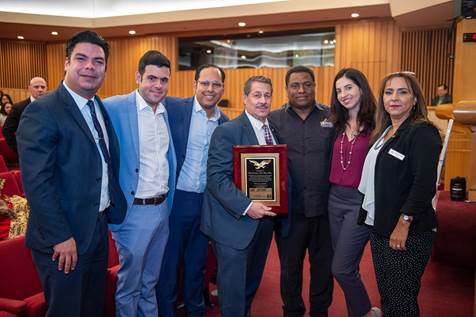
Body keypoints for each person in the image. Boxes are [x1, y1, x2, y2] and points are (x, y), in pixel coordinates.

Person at [16, 30, 127, 317]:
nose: (90, 66)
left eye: (98, 61)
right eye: (81, 58)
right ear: (66, 62)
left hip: (96, 230)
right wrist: (61, 236)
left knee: (92, 308)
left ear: (105, 68)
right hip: (63, 240)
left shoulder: (97, 106)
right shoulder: (43, 111)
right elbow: (37, 183)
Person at [358, 72, 442, 317]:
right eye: (388, 92)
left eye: (402, 92)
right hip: (381, 227)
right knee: (388, 297)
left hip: (408, 230)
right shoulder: (385, 131)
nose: (394, 98)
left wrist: (404, 223)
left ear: (414, 99)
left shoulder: (422, 132)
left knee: (402, 301)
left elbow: (424, 184)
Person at [103, 50, 177, 317]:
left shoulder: (166, 112)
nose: (158, 85)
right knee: (130, 285)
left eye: (164, 80)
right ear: (138, 77)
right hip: (133, 211)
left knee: (150, 282)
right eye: (152, 78)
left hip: (162, 209)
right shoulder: (113, 107)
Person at [201, 75, 278, 317]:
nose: (263, 101)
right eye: (257, 95)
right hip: (233, 225)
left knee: (249, 288)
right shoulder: (227, 131)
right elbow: (216, 179)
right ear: (245, 98)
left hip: (264, 225)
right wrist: (247, 206)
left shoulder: (273, 131)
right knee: (233, 294)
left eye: (267, 95)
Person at [157, 64, 229, 317]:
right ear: (195, 84)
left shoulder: (225, 123)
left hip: (206, 204)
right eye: (205, 83)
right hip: (176, 201)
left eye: (216, 84)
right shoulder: (174, 108)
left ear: (222, 88)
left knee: (196, 265)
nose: (210, 89)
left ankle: (195, 311)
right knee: (169, 264)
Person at [268, 65, 334, 317]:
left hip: (325, 211)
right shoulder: (273, 119)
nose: (301, 90)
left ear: (315, 86)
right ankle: (292, 311)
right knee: (289, 269)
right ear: (286, 89)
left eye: (307, 84)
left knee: (323, 269)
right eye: (295, 85)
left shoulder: (332, 116)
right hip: (289, 213)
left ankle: (320, 312)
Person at [328, 68, 380, 317]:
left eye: (348, 87)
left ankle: (366, 312)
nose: (343, 94)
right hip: (333, 200)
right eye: (339, 90)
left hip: (359, 203)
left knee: (341, 268)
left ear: (361, 87)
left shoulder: (378, 125)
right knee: (348, 266)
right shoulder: (334, 123)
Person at [3, 77, 47, 151]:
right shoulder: (18, 107)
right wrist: (19, 149)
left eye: (43, 87)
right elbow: (7, 130)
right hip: (28, 153)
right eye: (36, 87)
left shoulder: (52, 106)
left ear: (46, 88)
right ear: (29, 88)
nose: (40, 89)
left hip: (50, 153)